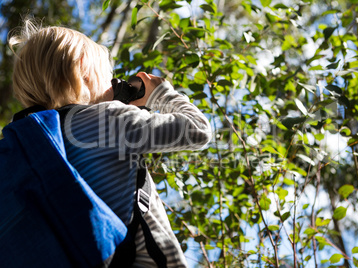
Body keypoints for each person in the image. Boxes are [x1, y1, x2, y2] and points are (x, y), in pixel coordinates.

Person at [8, 18, 211, 267]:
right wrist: (161, 93)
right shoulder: (107, 118)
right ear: (83, 67)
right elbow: (198, 130)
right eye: (109, 76)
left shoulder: (41, 144)